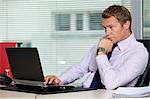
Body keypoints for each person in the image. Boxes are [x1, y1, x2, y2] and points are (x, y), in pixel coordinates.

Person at [45, 5, 149, 89]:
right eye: (105, 28)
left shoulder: (139, 53)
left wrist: (101, 53)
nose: (107, 32)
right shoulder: (104, 41)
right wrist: (59, 79)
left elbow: (111, 84)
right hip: (86, 92)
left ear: (126, 24)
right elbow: (81, 67)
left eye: (111, 27)